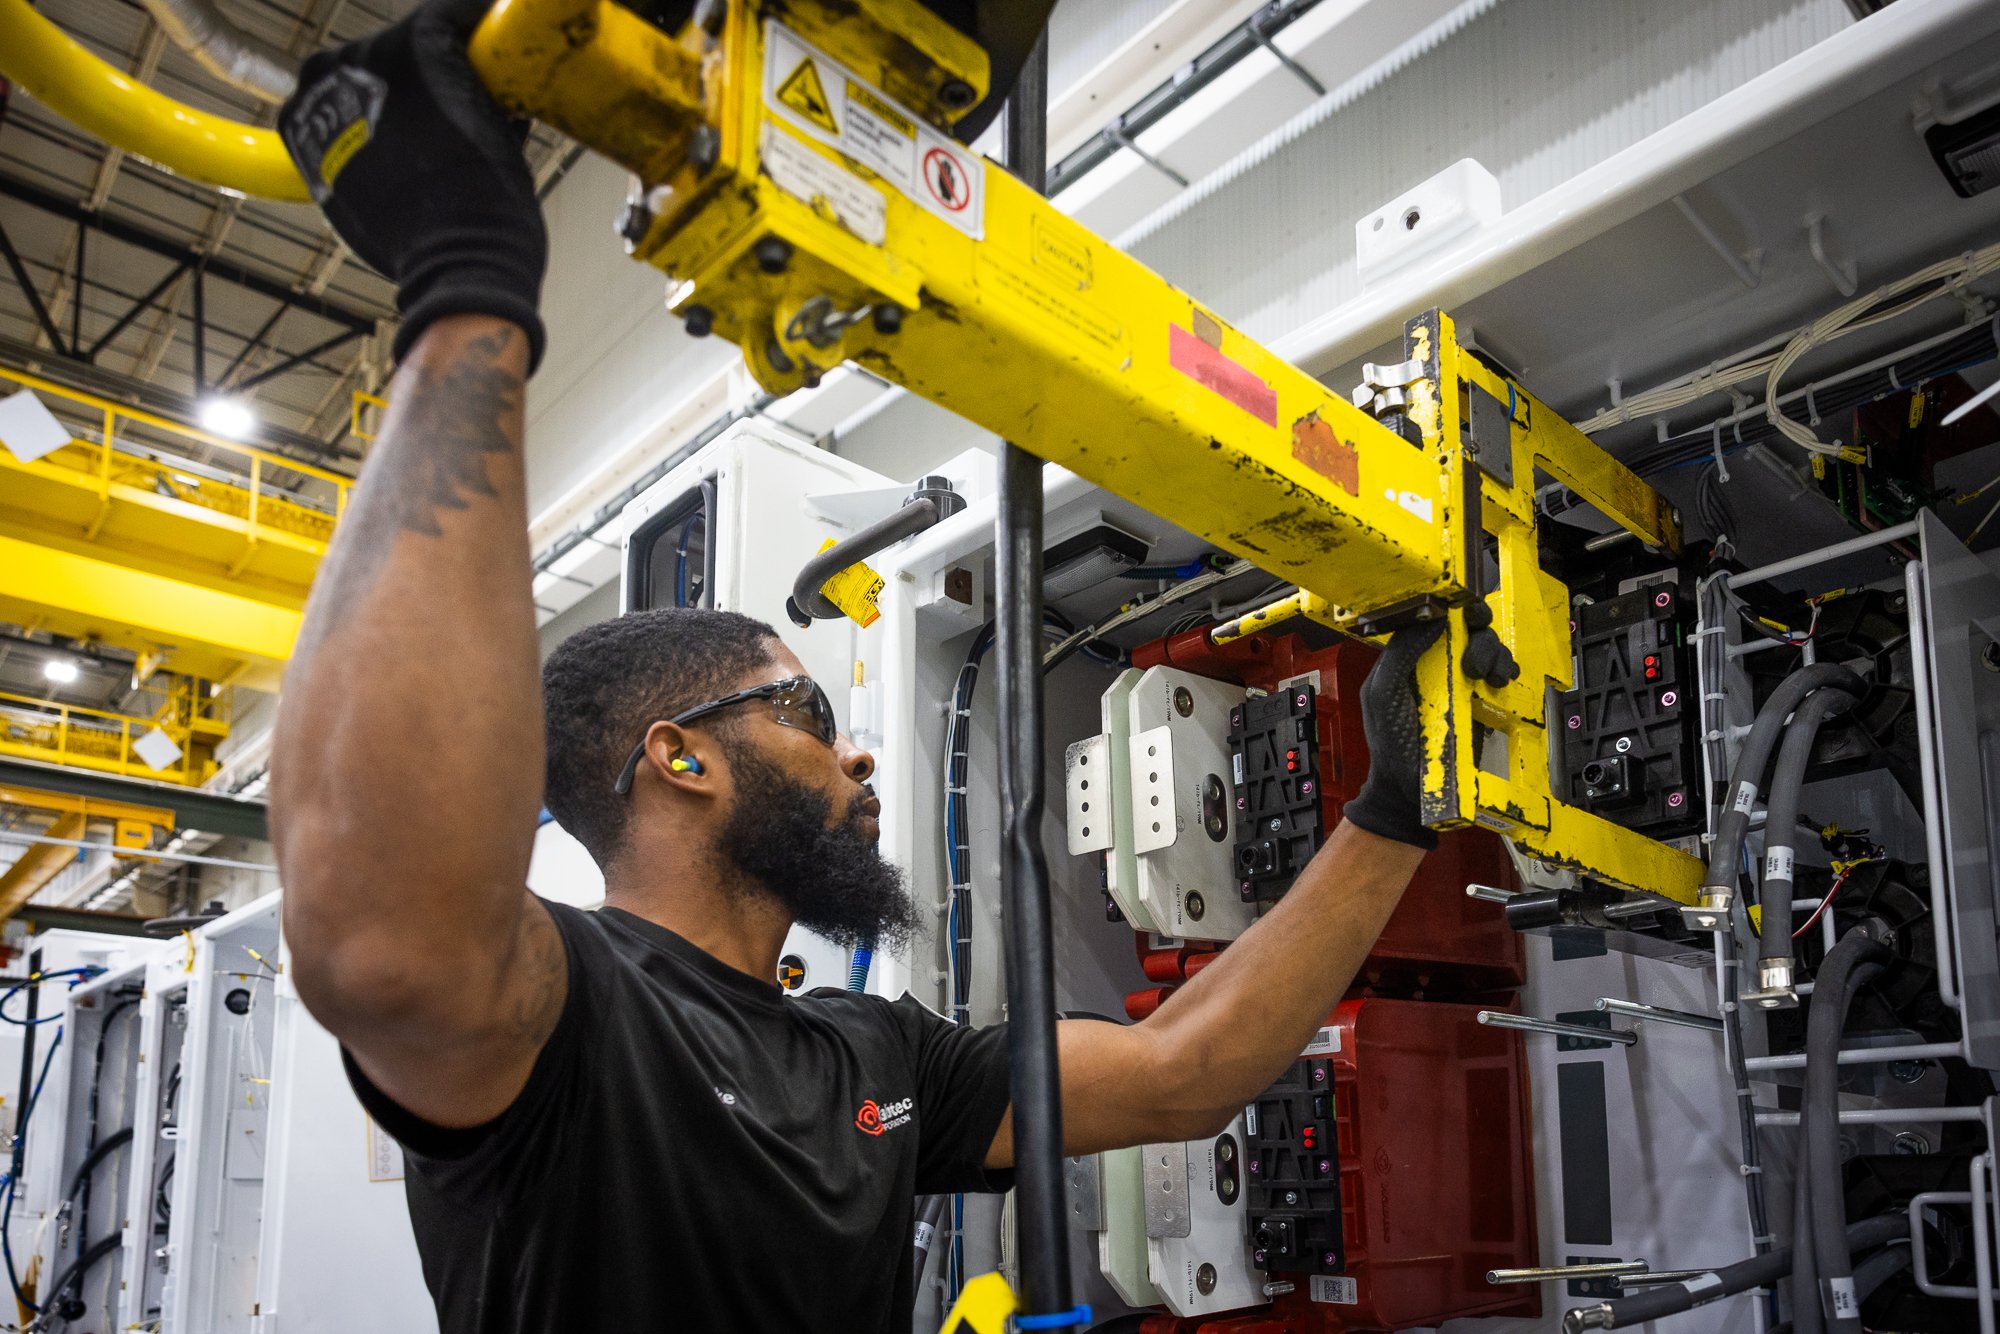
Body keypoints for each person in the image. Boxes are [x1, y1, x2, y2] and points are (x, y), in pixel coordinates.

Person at [267, 3, 1518, 1332]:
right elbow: (385, 945)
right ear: (677, 756)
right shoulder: (574, 1018)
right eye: (806, 710)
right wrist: (469, 280)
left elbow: (1177, 1072)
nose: (857, 748)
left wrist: (1392, 809)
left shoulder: (872, 1062)